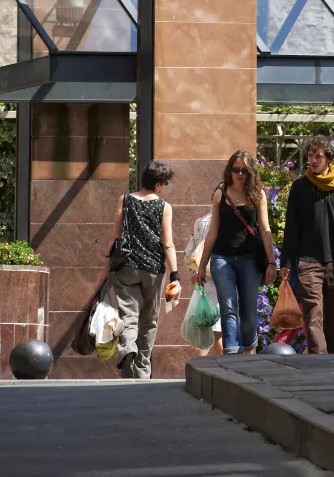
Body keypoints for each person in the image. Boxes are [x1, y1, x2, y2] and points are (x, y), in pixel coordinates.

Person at [280, 134, 334, 354]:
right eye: (310, 156)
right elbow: (292, 227)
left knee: (333, 316)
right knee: (313, 310)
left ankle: (331, 359)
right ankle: (320, 358)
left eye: (318, 156)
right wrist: (287, 261)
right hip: (309, 261)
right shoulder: (300, 187)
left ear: (328, 158)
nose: (314, 161)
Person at [196, 150, 276, 355]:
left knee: (249, 311)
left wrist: (271, 262)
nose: (240, 174)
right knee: (228, 308)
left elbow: (265, 230)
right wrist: (202, 266)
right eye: (236, 170)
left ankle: (249, 352)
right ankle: (231, 354)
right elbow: (212, 233)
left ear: (251, 172)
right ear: (229, 170)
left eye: (244, 171)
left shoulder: (257, 195)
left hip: (250, 259)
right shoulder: (220, 194)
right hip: (222, 258)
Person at [106, 160, 179, 379]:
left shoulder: (125, 199)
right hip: (153, 270)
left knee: (128, 315)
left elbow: (115, 236)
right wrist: (175, 275)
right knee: (149, 320)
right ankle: (143, 370)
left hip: (126, 266)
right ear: (158, 184)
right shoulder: (164, 207)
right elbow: (168, 243)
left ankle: (128, 349)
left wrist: (105, 267)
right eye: (164, 184)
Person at [183, 211, 223, 356]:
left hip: (202, 275)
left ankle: (203, 366)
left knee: (208, 325)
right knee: (216, 327)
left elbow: (189, 252)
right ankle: (219, 368)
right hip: (221, 276)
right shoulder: (225, 219)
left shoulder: (200, 221)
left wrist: (195, 273)